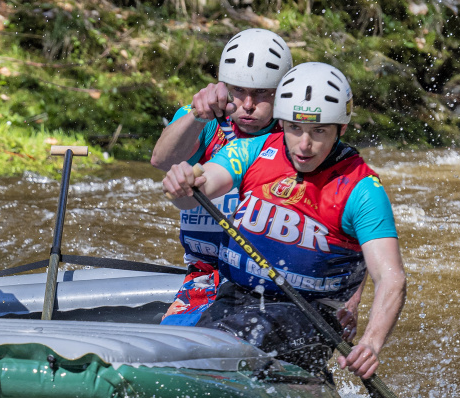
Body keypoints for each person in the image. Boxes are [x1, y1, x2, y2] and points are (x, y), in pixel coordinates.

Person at [161, 63, 406, 380]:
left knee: (245, 334)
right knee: (194, 351)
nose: (304, 144)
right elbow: (196, 191)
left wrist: (371, 343)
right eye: (295, 128)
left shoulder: (362, 189)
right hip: (235, 297)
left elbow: (391, 278)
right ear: (282, 122)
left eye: (319, 131)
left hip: (309, 315)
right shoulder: (253, 150)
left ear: (341, 129)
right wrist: (183, 183)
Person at [151, 28, 294, 326]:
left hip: (265, 282)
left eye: (261, 93)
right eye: (239, 91)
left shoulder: (297, 139)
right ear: (225, 87)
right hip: (204, 277)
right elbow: (161, 160)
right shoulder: (202, 119)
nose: (248, 104)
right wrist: (197, 115)